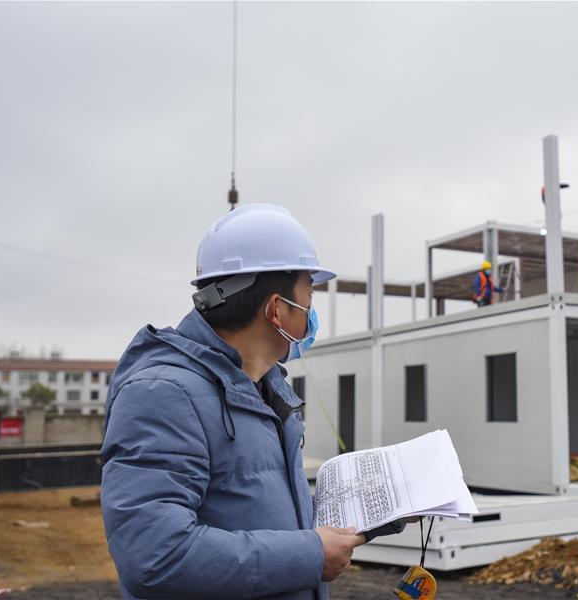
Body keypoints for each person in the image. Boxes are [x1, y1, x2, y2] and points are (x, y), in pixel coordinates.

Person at [101, 204, 407, 600]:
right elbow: (155, 556)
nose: (312, 311)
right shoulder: (163, 394)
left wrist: (380, 508)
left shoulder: (265, 390)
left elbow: (257, 511)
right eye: (309, 294)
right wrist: (311, 555)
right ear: (277, 310)